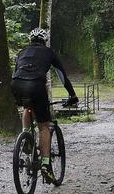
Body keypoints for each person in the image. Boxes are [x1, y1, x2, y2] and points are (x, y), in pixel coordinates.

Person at [11, 28, 78, 182]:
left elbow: (18, 72)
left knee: (27, 107)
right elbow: (62, 76)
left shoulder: (22, 52)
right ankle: (46, 165)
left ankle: (26, 135)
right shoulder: (49, 52)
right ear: (44, 41)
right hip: (36, 86)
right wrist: (72, 95)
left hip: (16, 85)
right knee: (44, 126)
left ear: (30, 41)